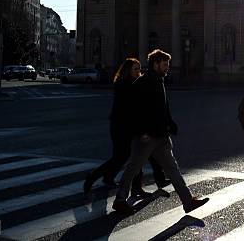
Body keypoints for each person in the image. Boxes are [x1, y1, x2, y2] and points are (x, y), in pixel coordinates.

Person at [112, 49, 209, 213]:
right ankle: (120, 200)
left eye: (168, 65)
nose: (167, 68)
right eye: (165, 65)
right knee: (133, 168)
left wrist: (170, 123)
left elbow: (162, 107)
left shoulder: (158, 80)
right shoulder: (143, 83)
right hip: (147, 137)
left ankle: (188, 201)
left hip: (161, 135)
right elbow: (132, 111)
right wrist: (141, 131)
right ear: (155, 64)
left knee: (173, 169)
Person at [83, 58, 170, 195]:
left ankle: (128, 184)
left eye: (139, 69)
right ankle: (93, 176)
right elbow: (130, 109)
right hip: (121, 126)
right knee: (121, 157)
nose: (138, 72)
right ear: (127, 71)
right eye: (135, 69)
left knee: (136, 156)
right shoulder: (124, 85)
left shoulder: (133, 84)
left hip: (130, 126)